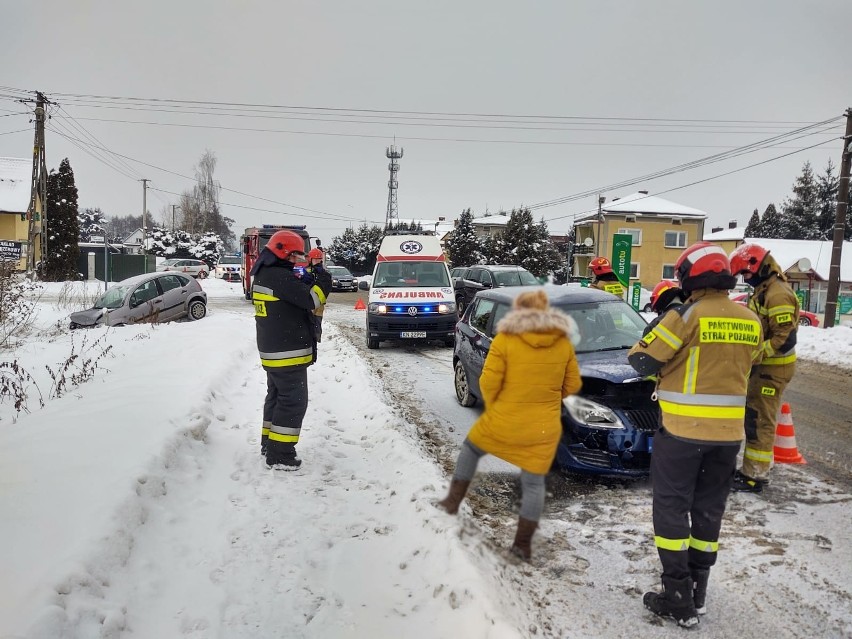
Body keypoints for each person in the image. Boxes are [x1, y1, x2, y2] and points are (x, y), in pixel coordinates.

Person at [627, 242, 763, 628]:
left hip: (682, 432)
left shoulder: (685, 316)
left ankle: (676, 596)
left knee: (671, 508)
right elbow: (746, 363)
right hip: (728, 437)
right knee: (708, 510)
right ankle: (698, 592)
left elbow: (641, 360)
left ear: (689, 276)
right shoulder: (749, 319)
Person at [437, 289, 582, 561]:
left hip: (505, 418)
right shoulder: (562, 344)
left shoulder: (505, 340)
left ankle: (452, 502)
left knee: (471, 449)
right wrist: (549, 398)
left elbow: (488, 383)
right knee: (534, 482)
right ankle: (522, 544)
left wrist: (497, 405)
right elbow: (572, 385)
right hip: (543, 425)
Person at [251, 230, 331, 471]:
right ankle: (280, 453)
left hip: (274, 351)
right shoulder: (279, 277)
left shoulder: (267, 274)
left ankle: (269, 442)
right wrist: (323, 281)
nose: (298, 261)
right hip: (287, 354)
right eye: (295, 256)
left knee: (276, 397)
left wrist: (306, 278)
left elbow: (292, 297)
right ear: (282, 253)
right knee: (293, 402)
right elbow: (312, 300)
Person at [728, 243, 799, 493]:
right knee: (753, 417)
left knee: (761, 420)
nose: (745, 280)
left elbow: (785, 338)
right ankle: (751, 470)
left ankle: (754, 477)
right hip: (765, 368)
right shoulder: (764, 289)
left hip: (772, 369)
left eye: (745, 274)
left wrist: (756, 354)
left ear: (757, 266)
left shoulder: (777, 293)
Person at [303, 248, 327, 343]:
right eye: (315, 259)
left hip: (319, 303)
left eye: (318, 259)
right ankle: (309, 339)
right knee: (308, 322)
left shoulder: (323, 273)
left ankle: (316, 339)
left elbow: (325, 286)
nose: (317, 261)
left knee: (317, 322)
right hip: (309, 301)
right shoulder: (306, 271)